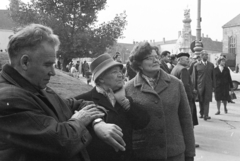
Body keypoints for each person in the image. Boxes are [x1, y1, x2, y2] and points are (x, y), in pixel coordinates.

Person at [0, 24, 123, 161]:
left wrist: (97, 122)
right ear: (25, 62)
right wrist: (79, 120)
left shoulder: (34, 86)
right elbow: (61, 142)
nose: (53, 72)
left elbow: (76, 104)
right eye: (47, 65)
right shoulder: (8, 98)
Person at [125, 42, 195, 161]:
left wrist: (189, 153)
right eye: (149, 58)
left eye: (156, 57)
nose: (155, 60)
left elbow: (186, 120)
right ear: (138, 63)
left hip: (174, 153)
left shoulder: (176, 84)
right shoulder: (128, 88)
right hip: (143, 154)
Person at [74, 53, 150, 161]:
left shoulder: (125, 99)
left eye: (120, 71)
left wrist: (128, 105)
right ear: (101, 79)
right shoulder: (82, 101)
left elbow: (143, 122)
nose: (121, 75)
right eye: (115, 72)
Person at [171, 52, 199, 147]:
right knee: (188, 121)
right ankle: (189, 143)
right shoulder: (183, 70)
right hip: (186, 100)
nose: (188, 60)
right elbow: (185, 86)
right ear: (179, 60)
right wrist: (191, 96)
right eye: (186, 59)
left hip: (177, 99)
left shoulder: (175, 68)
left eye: (188, 59)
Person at [192, 50, 215, 121]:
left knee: (206, 100)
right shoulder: (196, 65)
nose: (206, 56)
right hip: (200, 86)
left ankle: (206, 115)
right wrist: (194, 88)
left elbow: (213, 76)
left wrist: (213, 86)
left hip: (208, 86)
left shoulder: (211, 65)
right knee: (201, 100)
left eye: (207, 55)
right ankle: (202, 113)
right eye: (205, 55)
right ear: (201, 56)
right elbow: (194, 77)